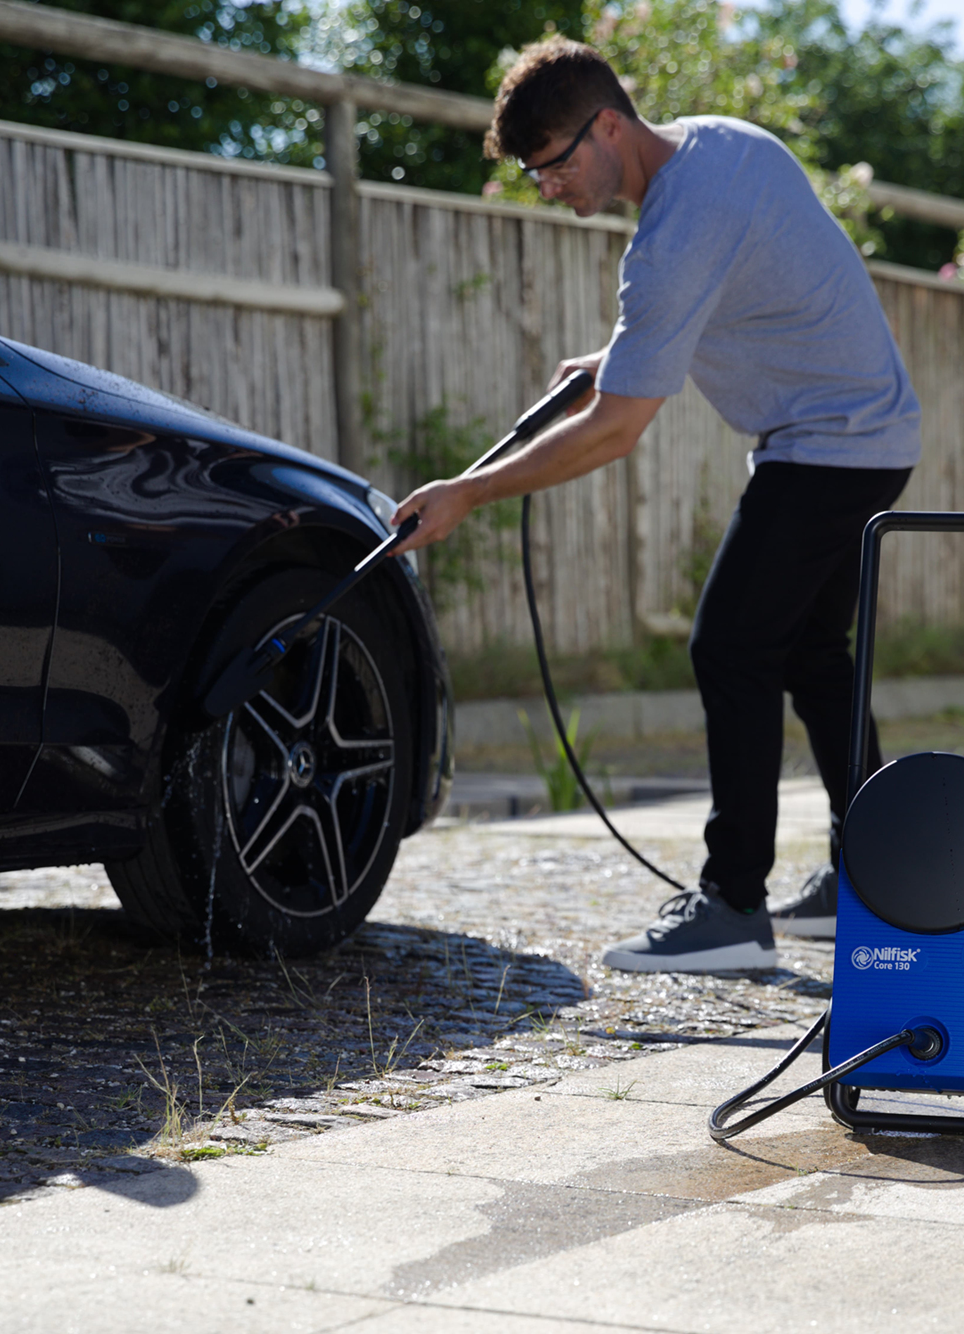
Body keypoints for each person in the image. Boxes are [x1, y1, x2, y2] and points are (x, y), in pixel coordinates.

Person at [391, 37, 920, 973]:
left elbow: (614, 432)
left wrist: (468, 492)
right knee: (809, 655)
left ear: (606, 127)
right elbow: (743, 290)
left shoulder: (668, 241)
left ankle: (732, 908)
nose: (546, 187)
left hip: (828, 446)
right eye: (530, 173)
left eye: (552, 164)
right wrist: (619, 355)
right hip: (872, 436)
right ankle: (874, 868)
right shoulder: (724, 144)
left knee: (731, 645)